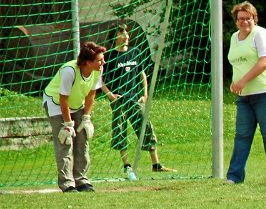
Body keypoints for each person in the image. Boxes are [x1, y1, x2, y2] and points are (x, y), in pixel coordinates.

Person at [101, 22, 174, 180]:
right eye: (122, 34)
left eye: (127, 34)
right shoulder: (109, 56)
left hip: (135, 99)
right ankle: (127, 166)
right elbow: (100, 80)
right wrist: (110, 95)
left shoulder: (135, 52)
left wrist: (145, 94)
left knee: (145, 128)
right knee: (120, 132)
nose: (126, 36)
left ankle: (156, 164)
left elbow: (142, 74)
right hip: (119, 101)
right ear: (115, 37)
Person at [226, 1, 266, 184]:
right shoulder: (234, 37)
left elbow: (265, 61)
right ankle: (234, 177)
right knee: (242, 135)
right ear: (236, 21)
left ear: (255, 18)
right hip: (245, 96)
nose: (244, 22)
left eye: (248, 18)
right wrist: (235, 83)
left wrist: (243, 81)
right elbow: (238, 63)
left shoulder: (260, 34)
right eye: (240, 19)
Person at [42, 42, 106, 192]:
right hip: (55, 103)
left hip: (77, 103)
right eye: (99, 60)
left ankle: (81, 180)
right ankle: (67, 184)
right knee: (65, 140)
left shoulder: (98, 69)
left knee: (82, 138)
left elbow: (91, 94)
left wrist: (86, 118)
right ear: (87, 62)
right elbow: (63, 99)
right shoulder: (69, 71)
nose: (103, 62)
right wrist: (68, 124)